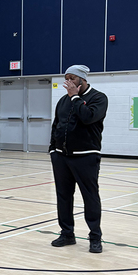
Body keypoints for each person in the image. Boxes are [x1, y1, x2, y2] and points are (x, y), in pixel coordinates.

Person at [49, 64, 108, 254]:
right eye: (66, 78)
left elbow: (88, 117)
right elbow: (56, 124)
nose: (68, 82)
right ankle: (67, 234)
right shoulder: (63, 101)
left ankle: (95, 237)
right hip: (61, 157)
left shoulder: (98, 98)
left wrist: (75, 97)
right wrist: (52, 150)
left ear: (82, 80)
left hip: (86, 157)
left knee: (90, 197)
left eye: (72, 78)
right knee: (64, 197)